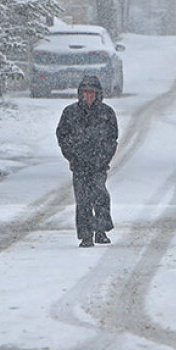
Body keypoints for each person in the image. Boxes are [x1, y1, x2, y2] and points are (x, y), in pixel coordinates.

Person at [56, 75, 118, 248]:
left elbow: (112, 138)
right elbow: (62, 136)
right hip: (79, 165)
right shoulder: (70, 113)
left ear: (98, 94)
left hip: (99, 164)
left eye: (92, 93)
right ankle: (85, 235)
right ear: (80, 94)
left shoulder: (107, 113)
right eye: (85, 93)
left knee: (99, 194)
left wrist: (104, 156)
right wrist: (72, 155)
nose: (88, 96)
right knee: (82, 200)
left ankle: (101, 230)